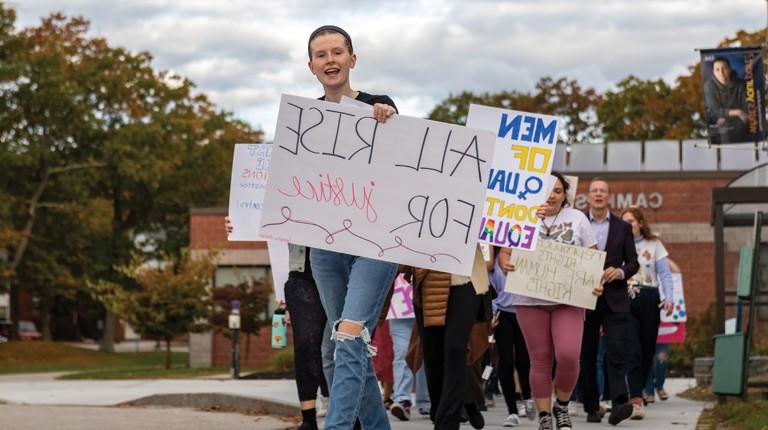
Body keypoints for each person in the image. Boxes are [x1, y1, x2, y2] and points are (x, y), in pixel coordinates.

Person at [303, 25, 400, 430]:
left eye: (337, 52)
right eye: (321, 55)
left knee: (346, 337)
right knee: (341, 347)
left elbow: (404, 170)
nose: (330, 60)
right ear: (311, 66)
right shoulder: (303, 122)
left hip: (374, 246)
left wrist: (390, 121)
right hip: (325, 247)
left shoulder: (380, 106)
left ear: (352, 60)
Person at [498, 172, 604, 430]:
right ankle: (545, 416)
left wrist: (596, 280)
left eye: (558, 190)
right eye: (548, 189)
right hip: (529, 297)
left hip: (568, 299)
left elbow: (592, 257)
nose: (552, 194)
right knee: (540, 359)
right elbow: (504, 254)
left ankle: (562, 406)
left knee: (568, 355)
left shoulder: (577, 219)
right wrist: (506, 263)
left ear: (565, 194)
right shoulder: (521, 217)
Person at [225, 221, 329, 430]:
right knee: (306, 344)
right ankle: (308, 419)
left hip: (341, 268)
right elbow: (271, 215)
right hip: (303, 274)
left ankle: (346, 409)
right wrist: (240, 222)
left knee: (338, 345)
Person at [579, 177, 639, 426]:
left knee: (616, 349)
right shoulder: (577, 222)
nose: (599, 194)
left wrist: (621, 272)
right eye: (595, 191)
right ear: (588, 196)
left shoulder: (622, 228)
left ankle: (618, 403)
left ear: (609, 196)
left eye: (603, 191)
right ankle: (592, 406)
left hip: (615, 297)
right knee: (588, 353)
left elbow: (634, 262)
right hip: (585, 296)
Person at [411, 248, 490, 430]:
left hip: (466, 277)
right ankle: (461, 403)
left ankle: (447, 424)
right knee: (432, 357)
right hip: (428, 277)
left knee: (455, 348)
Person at [621, 207, 675, 419]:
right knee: (632, 350)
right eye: (623, 222)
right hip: (625, 299)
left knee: (647, 349)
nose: (627, 226)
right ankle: (635, 398)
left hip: (650, 298)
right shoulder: (617, 244)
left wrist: (668, 297)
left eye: (631, 222)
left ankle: (640, 387)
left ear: (640, 223)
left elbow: (665, 274)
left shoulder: (654, 245)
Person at [489, 246, 535, 426]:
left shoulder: (531, 256)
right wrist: (492, 312)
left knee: (524, 362)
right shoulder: (495, 260)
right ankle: (512, 411)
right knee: (506, 361)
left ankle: (528, 396)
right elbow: (490, 287)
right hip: (503, 315)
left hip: (526, 313)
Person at [704, 56, 749, 144]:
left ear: (730, 69)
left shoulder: (740, 85)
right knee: (723, 130)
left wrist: (726, 115)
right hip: (716, 121)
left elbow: (746, 106)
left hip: (737, 121)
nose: (721, 72)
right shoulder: (708, 86)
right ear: (713, 72)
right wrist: (737, 112)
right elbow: (715, 111)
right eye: (717, 69)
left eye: (724, 68)